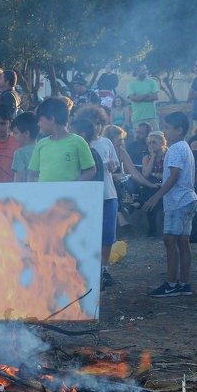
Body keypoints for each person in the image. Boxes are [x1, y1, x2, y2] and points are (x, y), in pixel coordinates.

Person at [141, 112, 197, 297]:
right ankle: (184, 283)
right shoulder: (185, 147)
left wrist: (155, 197)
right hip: (188, 198)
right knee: (183, 241)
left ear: (179, 130)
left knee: (170, 240)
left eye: (167, 128)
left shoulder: (173, 149)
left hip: (178, 201)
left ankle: (172, 284)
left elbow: (173, 176)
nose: (165, 132)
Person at [71, 112, 122, 288]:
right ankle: (90, 271)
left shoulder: (105, 143)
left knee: (107, 235)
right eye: (94, 123)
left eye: (99, 123)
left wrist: (112, 166)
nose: (97, 127)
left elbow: (115, 165)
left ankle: (103, 269)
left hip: (108, 193)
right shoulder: (76, 146)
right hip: (90, 196)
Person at [26, 97, 96, 183]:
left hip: (69, 196)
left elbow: (91, 170)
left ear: (52, 119)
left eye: (40, 120)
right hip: (45, 195)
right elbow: (32, 173)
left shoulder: (78, 141)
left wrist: (73, 186)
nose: (38, 124)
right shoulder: (41, 144)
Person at [126, 64, 161, 131]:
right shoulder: (131, 84)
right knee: (139, 140)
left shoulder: (152, 82)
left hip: (152, 117)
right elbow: (133, 98)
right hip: (138, 118)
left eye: (146, 69)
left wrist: (139, 98)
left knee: (156, 138)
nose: (146, 71)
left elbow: (155, 97)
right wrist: (148, 95)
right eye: (143, 70)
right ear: (137, 72)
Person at [10, 112, 38, 183]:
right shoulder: (42, 150)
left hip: (25, 192)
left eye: (16, 133)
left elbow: (19, 180)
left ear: (26, 133)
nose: (13, 136)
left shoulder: (20, 153)